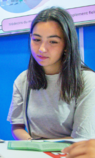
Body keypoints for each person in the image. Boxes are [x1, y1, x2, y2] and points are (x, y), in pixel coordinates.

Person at [7, 7, 95, 140]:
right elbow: (17, 127)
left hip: (70, 155)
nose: (42, 49)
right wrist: (34, 146)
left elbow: (82, 138)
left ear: (66, 44)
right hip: (35, 153)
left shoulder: (87, 81)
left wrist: (42, 147)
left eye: (53, 42)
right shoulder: (23, 79)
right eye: (36, 40)